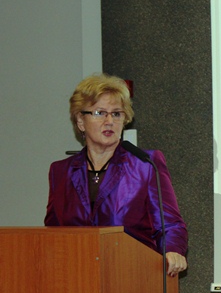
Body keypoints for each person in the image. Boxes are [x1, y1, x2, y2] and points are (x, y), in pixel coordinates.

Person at [45, 73, 188, 276]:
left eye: (117, 114)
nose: (109, 121)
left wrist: (172, 250)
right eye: (100, 113)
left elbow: (169, 224)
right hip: (76, 276)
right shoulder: (61, 171)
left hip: (132, 275)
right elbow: (53, 231)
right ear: (80, 121)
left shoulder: (145, 164)